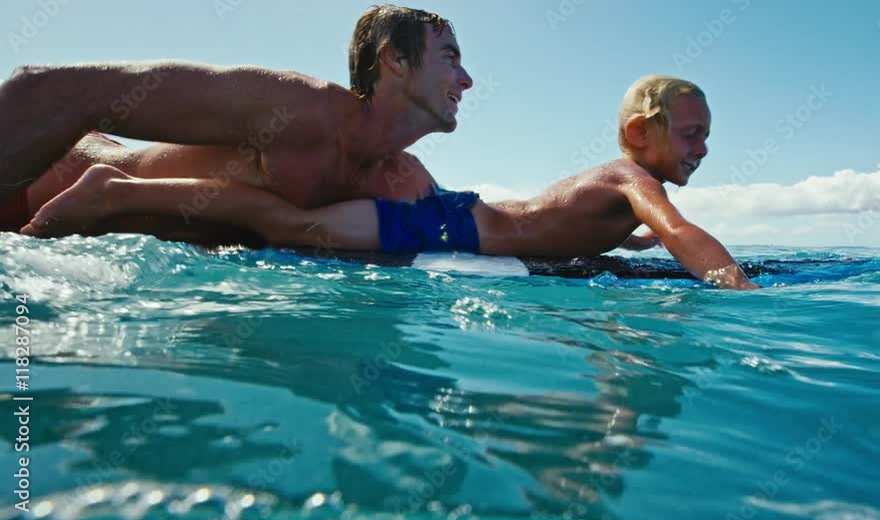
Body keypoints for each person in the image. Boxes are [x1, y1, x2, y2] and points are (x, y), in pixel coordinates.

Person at [22, 76, 758, 289]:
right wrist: (731, 283)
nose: (701, 150)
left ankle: (121, 190)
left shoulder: (613, 191)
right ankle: (118, 190)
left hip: (455, 222)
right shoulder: (629, 175)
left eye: (706, 138)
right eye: (692, 134)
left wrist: (609, 252)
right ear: (640, 134)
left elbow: (581, 235)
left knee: (292, 229)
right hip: (446, 225)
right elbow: (679, 232)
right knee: (293, 227)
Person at [0, 5, 471, 242]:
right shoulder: (296, 109)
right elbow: (48, 91)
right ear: (395, 59)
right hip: (41, 184)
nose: (467, 80)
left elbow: (489, 228)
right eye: (450, 58)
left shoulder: (403, 181)